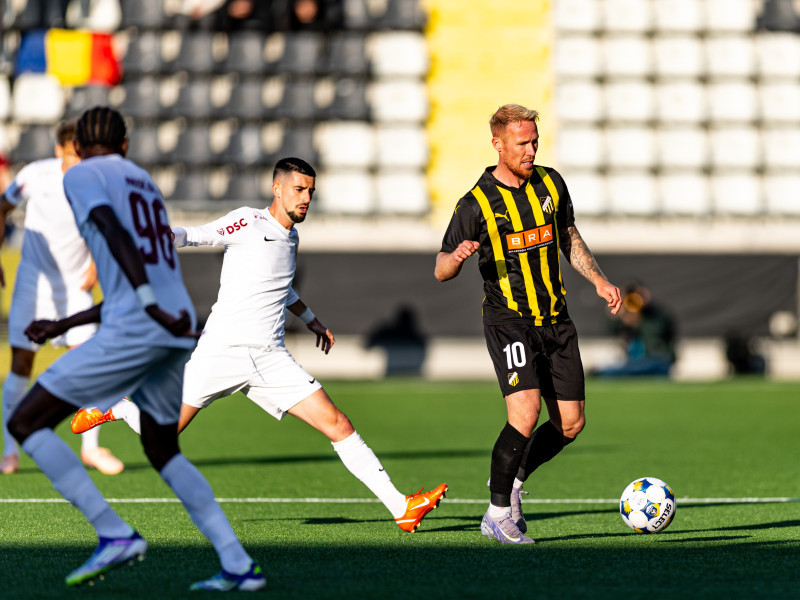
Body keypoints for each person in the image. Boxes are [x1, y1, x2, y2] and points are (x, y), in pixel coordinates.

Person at [71, 156, 447, 533]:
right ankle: (117, 408)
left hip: (270, 359)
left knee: (338, 423)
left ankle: (401, 507)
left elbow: (281, 286)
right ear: (277, 188)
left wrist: (311, 319)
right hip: (223, 352)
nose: (306, 198)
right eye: (299, 189)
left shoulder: (291, 237)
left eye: (311, 191)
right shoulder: (249, 222)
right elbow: (197, 235)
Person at [7, 106, 265, 591]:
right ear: (125, 145)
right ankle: (238, 564)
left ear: (77, 148)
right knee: (163, 449)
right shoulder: (144, 182)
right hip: (176, 323)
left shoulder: (80, 175)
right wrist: (64, 323)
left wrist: (144, 303)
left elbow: (113, 233)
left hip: (140, 325)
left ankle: (114, 533)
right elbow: (140, 270)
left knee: (25, 423)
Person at [434, 104, 621, 544]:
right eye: (522, 143)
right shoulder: (476, 203)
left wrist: (597, 279)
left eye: (535, 141)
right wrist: (456, 258)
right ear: (498, 144)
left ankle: (513, 480)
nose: (531, 150)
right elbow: (440, 268)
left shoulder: (551, 183)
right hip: (509, 321)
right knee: (525, 412)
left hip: (557, 320)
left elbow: (568, 235)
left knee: (571, 423)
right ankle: (497, 514)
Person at [0, 121, 132, 476]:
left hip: (75, 287)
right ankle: (9, 451)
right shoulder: (34, 176)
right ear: (59, 151)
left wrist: (98, 264)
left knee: (89, 362)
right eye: (75, 154)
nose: (81, 161)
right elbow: (2, 207)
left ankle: (91, 447)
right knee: (21, 364)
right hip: (33, 285)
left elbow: (109, 226)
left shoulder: (95, 180)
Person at [593, 281, 677, 377]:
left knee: (628, 370)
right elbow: (612, 330)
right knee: (626, 368)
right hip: (635, 361)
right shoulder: (628, 317)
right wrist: (618, 311)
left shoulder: (657, 315)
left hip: (658, 359)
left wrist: (639, 319)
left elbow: (657, 332)